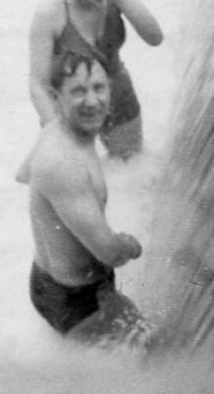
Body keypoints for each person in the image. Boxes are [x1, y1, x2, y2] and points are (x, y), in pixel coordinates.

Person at [26, 48, 152, 346]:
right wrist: (132, 246)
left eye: (99, 88)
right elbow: (109, 253)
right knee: (156, 353)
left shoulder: (61, 132)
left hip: (57, 281)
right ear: (57, 97)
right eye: (79, 91)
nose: (93, 101)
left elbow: (23, 173)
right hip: (75, 301)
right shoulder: (63, 163)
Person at [28, 0, 163, 160]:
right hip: (69, 101)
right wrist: (56, 133)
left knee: (129, 166)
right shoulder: (51, 11)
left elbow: (155, 38)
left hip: (114, 85)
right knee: (75, 178)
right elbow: (38, 85)